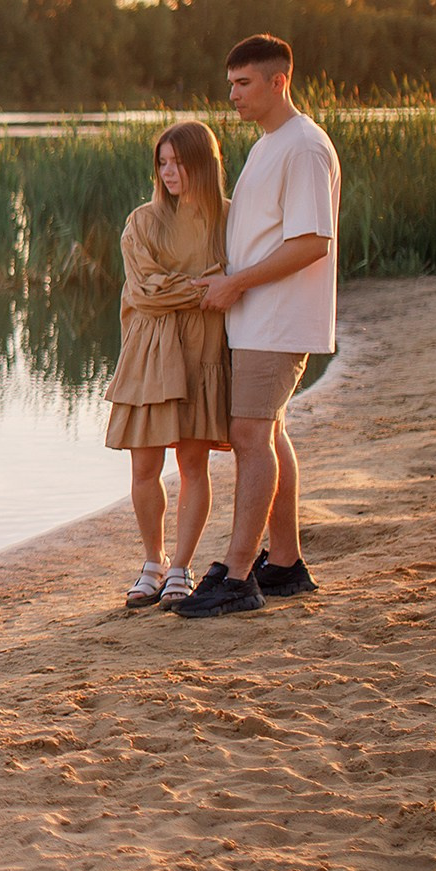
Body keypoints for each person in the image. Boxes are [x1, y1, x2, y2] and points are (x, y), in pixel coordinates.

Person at [177, 34, 340, 619]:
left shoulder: (303, 148)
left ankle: (240, 574)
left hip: (277, 321)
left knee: (249, 438)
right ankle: (286, 563)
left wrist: (237, 285)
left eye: (243, 83)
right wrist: (221, 277)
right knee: (267, 434)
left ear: (279, 81)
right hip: (255, 318)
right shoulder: (268, 145)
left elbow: (311, 244)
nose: (232, 95)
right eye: (230, 83)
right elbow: (264, 237)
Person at [103, 120, 230, 611]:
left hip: (203, 352)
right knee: (144, 465)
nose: (169, 171)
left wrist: (216, 284)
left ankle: (181, 566)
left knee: (194, 463)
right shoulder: (142, 222)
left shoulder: (228, 219)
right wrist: (209, 285)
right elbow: (146, 292)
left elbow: (237, 283)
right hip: (149, 353)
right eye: (162, 162)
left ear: (203, 163)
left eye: (179, 161)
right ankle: (151, 563)